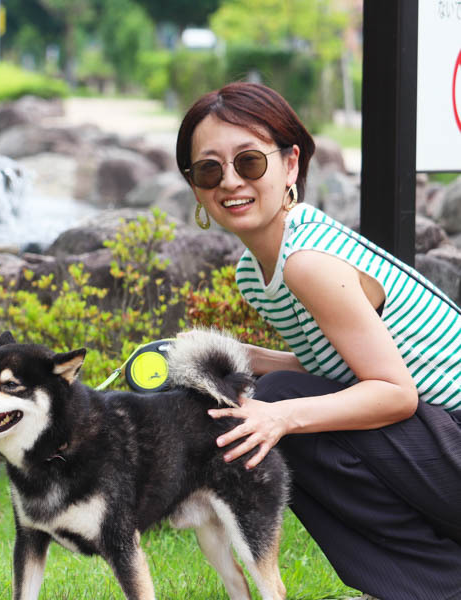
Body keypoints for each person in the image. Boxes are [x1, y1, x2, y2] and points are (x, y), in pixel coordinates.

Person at [175, 81, 461, 600]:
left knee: (276, 408)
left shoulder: (307, 261)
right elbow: (341, 368)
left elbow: (396, 394)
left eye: (249, 162)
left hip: (450, 435)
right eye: (209, 170)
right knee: (276, 395)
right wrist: (243, 357)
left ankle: (440, 583)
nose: (230, 181)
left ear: (290, 164)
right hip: (439, 440)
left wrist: (280, 417)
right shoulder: (256, 271)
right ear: (196, 188)